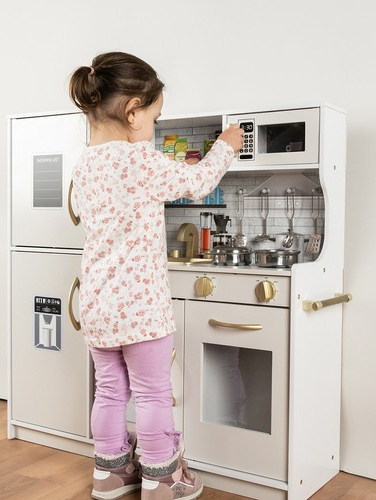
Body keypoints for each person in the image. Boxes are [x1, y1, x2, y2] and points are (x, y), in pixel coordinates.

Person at [69, 51, 243, 500]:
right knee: (151, 393)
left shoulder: (83, 164)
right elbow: (199, 182)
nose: (154, 126)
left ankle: (110, 474)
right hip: (141, 308)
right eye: (155, 117)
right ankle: (162, 478)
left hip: (97, 306)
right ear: (133, 112)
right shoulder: (139, 160)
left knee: (109, 391)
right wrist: (226, 144)